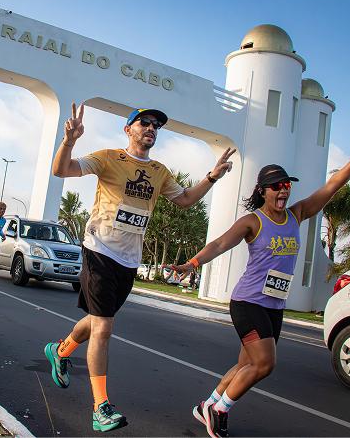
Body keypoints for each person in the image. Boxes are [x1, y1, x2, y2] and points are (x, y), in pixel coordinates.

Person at [171, 129, 350, 438]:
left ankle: (207, 405)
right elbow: (219, 244)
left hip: (274, 306)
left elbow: (331, 186)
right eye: (276, 187)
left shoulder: (297, 215)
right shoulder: (253, 221)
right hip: (248, 302)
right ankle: (219, 410)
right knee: (265, 364)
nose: (283, 191)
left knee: (246, 365)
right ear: (263, 191)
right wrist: (192, 263)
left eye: (286, 186)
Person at [44, 103, 236, 432]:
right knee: (104, 328)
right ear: (128, 129)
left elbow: (185, 200)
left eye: (155, 125)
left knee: (97, 320)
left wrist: (211, 177)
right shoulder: (108, 158)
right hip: (99, 250)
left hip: (129, 260)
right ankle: (100, 408)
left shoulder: (159, 171)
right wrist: (69, 141)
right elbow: (61, 170)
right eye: (143, 123)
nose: (150, 128)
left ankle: (60, 351)